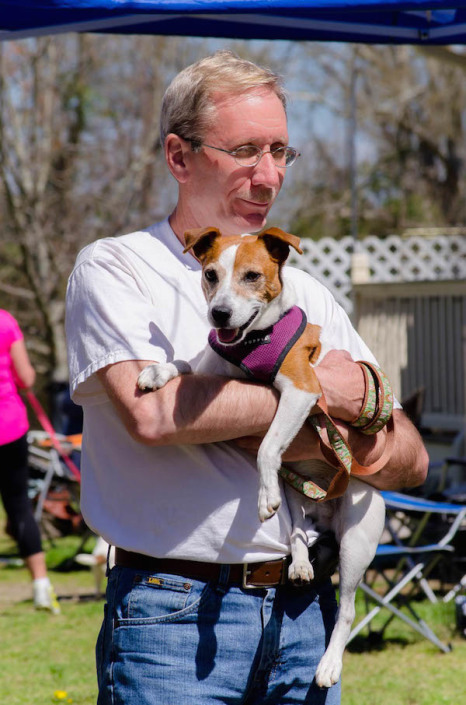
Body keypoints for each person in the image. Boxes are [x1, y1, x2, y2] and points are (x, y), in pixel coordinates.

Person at [66, 51, 428, 704]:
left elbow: (408, 454)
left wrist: (358, 402)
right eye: (246, 151)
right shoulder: (118, 268)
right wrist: (315, 395)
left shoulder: (308, 293)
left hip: (307, 613)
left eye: (283, 152)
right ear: (179, 156)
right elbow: (155, 413)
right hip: (174, 613)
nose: (269, 176)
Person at [0, 309, 60, 614]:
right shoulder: (5, 321)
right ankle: (40, 585)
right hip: (8, 426)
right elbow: (26, 378)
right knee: (19, 505)